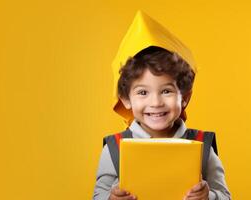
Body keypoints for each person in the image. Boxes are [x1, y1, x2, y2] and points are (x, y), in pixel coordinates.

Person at [93, 11, 231, 200]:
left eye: (166, 91)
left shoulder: (202, 145)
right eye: (143, 92)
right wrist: (111, 198)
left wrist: (209, 196)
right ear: (126, 99)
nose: (156, 103)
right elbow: (97, 195)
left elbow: (225, 196)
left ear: (185, 97)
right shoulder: (114, 147)